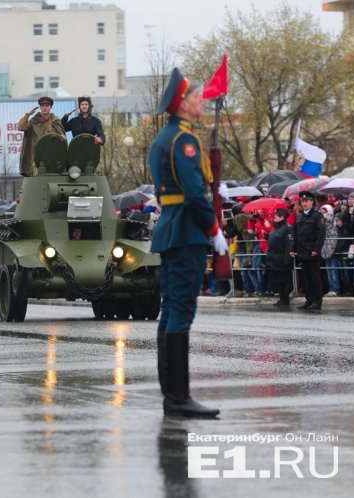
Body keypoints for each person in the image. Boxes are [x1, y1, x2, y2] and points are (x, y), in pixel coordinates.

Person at [149, 67, 223, 418]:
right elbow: (195, 193)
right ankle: (178, 398)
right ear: (182, 103)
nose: (201, 100)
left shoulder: (165, 138)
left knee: (171, 311)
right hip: (186, 230)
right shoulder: (185, 141)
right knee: (181, 311)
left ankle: (174, 397)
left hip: (172, 228)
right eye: (196, 96)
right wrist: (214, 229)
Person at [290, 190, 326, 310]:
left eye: (307, 201)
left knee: (315, 277)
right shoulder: (300, 216)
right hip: (302, 251)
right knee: (306, 277)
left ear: (312, 202)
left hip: (312, 251)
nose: (304, 203)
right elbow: (295, 234)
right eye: (303, 201)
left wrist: (316, 249)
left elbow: (321, 234)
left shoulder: (317, 215)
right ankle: (309, 300)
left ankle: (317, 301)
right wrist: (293, 248)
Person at [17, 96, 66, 177]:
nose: (45, 108)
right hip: (37, 156)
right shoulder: (34, 121)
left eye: (47, 106)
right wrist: (27, 115)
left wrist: (62, 137)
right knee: (38, 176)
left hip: (53, 155)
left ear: (51, 107)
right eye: (43, 106)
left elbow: (62, 136)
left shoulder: (55, 121)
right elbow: (21, 127)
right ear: (40, 107)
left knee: (55, 176)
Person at [265, 208, 294, 306]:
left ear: (282, 217)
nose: (274, 219)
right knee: (278, 280)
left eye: (276, 217)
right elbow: (273, 240)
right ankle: (282, 298)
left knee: (285, 280)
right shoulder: (275, 228)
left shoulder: (287, 228)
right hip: (274, 258)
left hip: (282, 258)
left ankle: (285, 299)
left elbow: (289, 244)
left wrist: (287, 259)